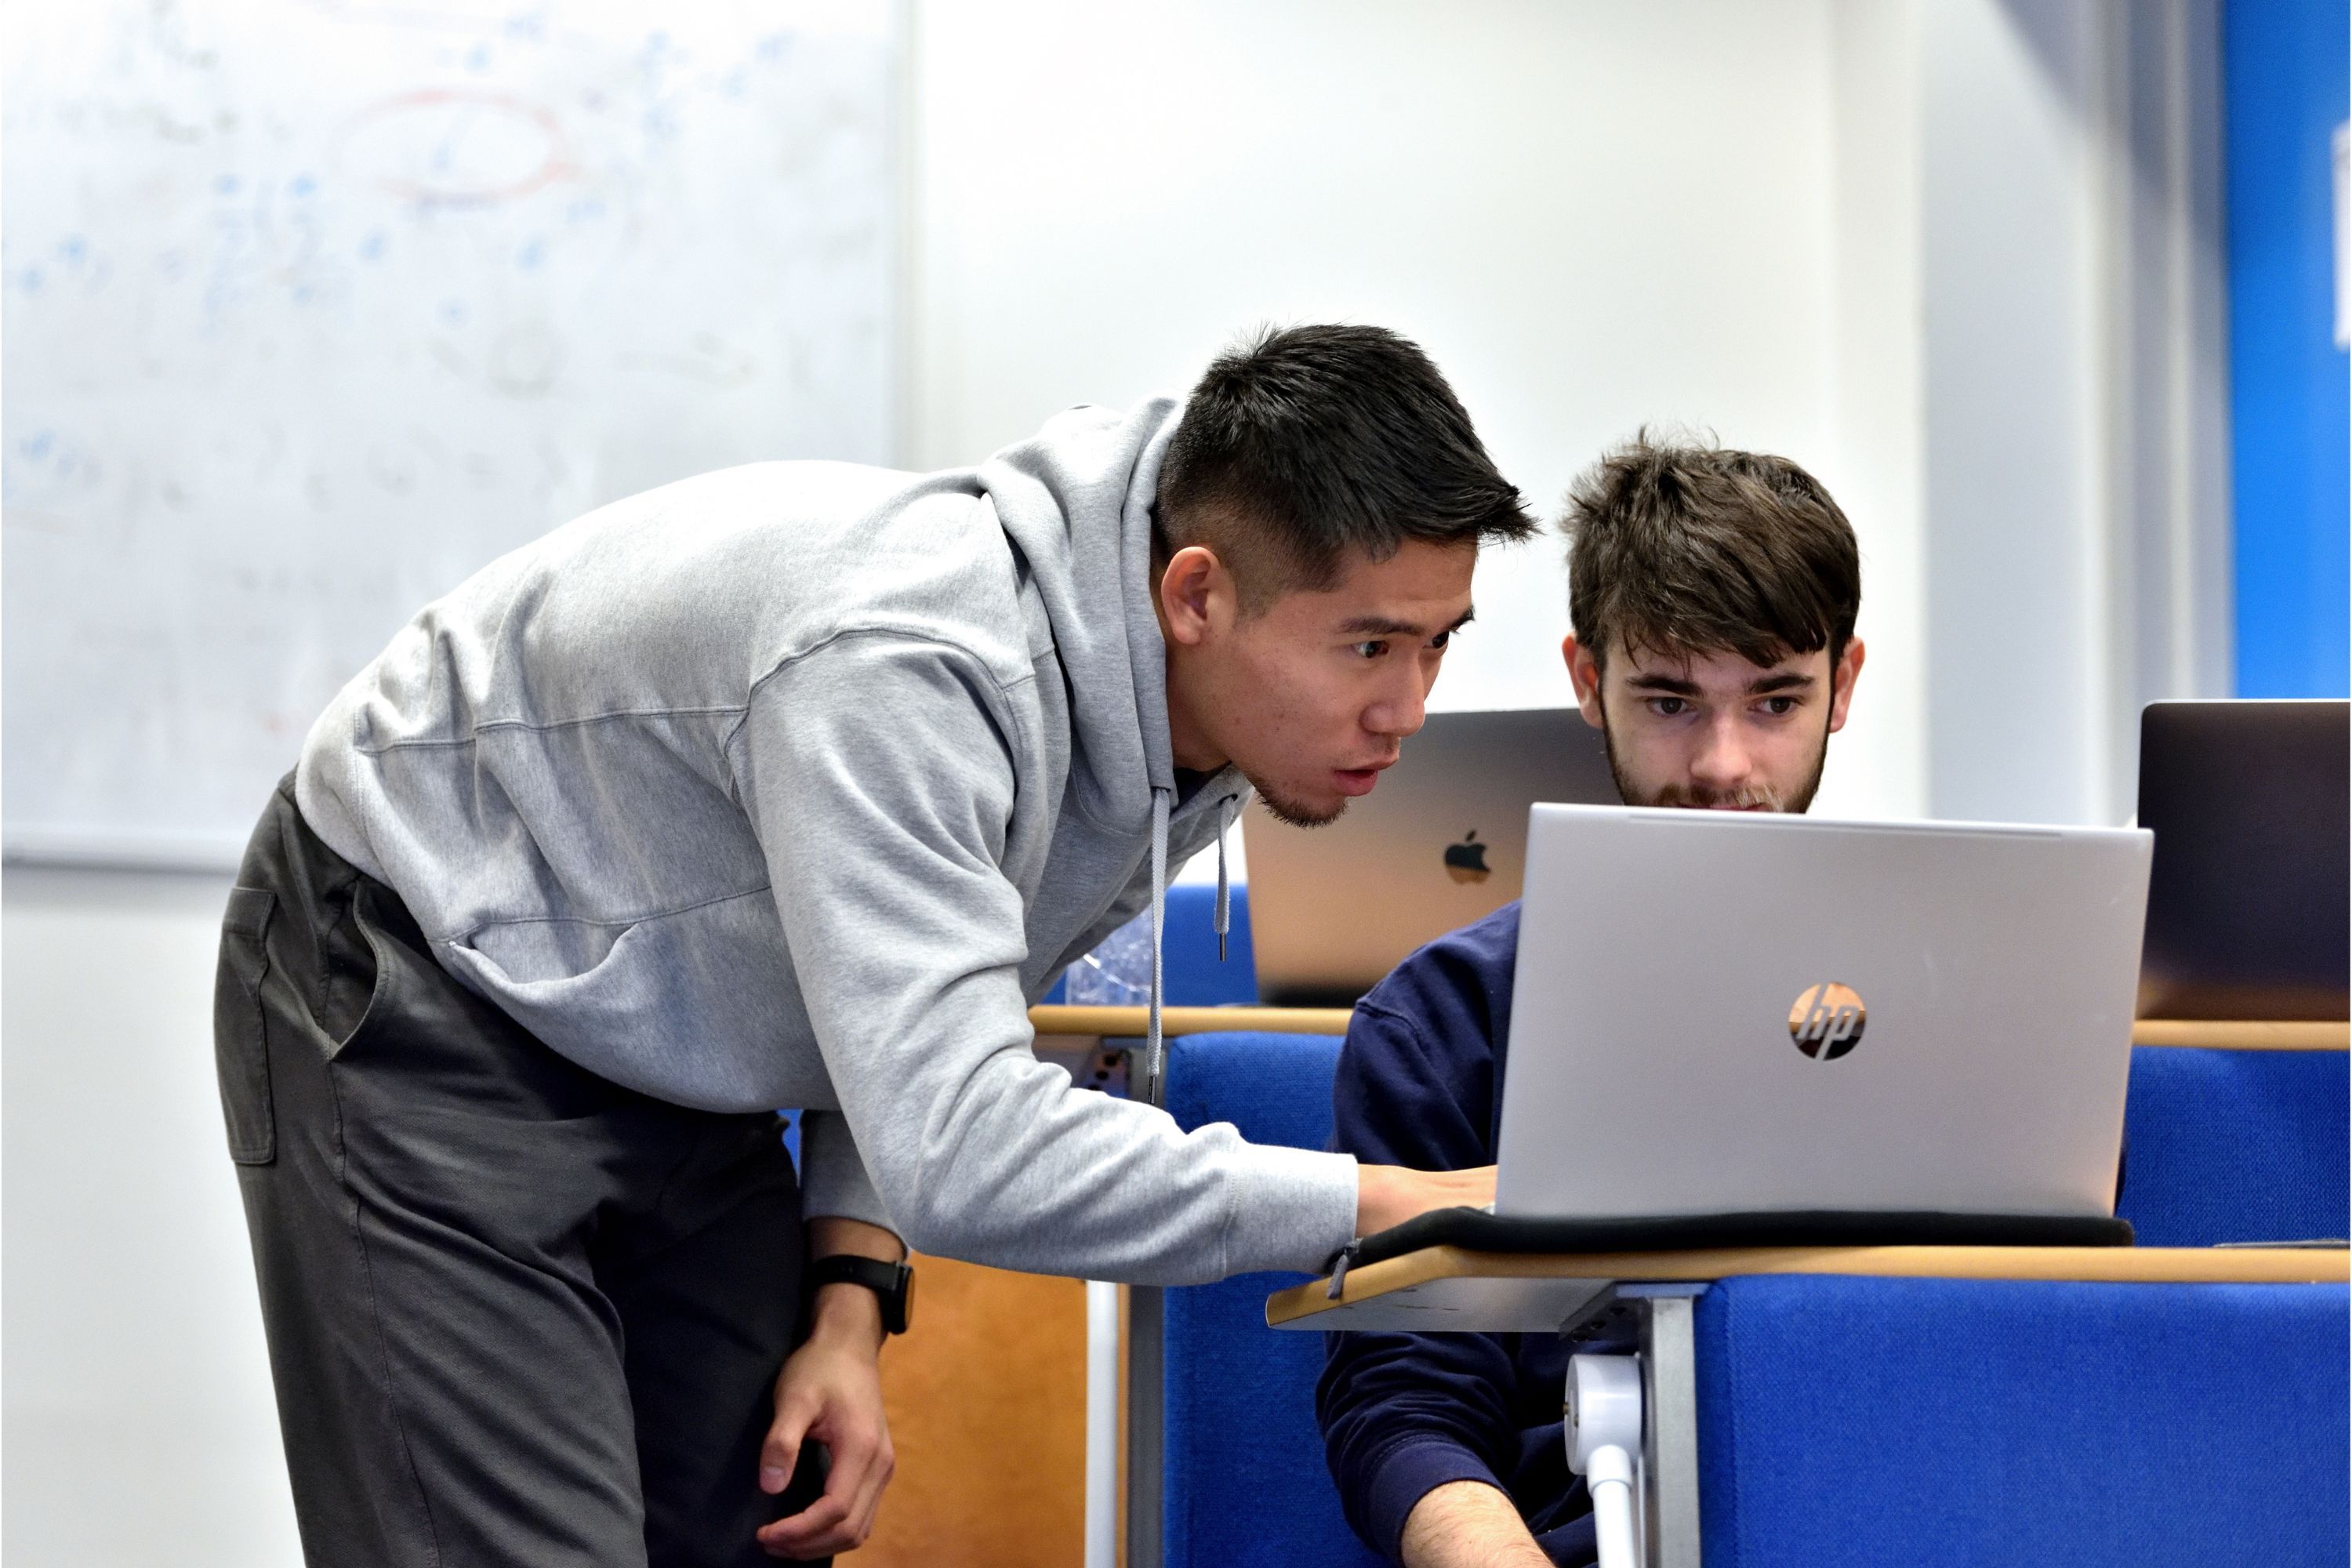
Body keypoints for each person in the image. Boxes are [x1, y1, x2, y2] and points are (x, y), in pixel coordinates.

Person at [214, 325, 1519, 1567]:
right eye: (1369, 647)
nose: (1408, 710)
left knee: (754, 1517)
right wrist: (1386, 1204)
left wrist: (850, 1299)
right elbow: (962, 1147)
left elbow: (940, 992)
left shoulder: (1187, 708)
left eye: (1436, 645)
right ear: (1197, 596)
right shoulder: (913, 670)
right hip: (420, 961)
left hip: (670, 1014)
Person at [1316, 435, 1867, 1568]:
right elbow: (1405, 1399)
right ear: (1586, 681)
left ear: (1843, 687)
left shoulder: (1979, 999)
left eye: (1774, 701)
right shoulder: (1442, 1024)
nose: (1722, 765)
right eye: (1669, 700)